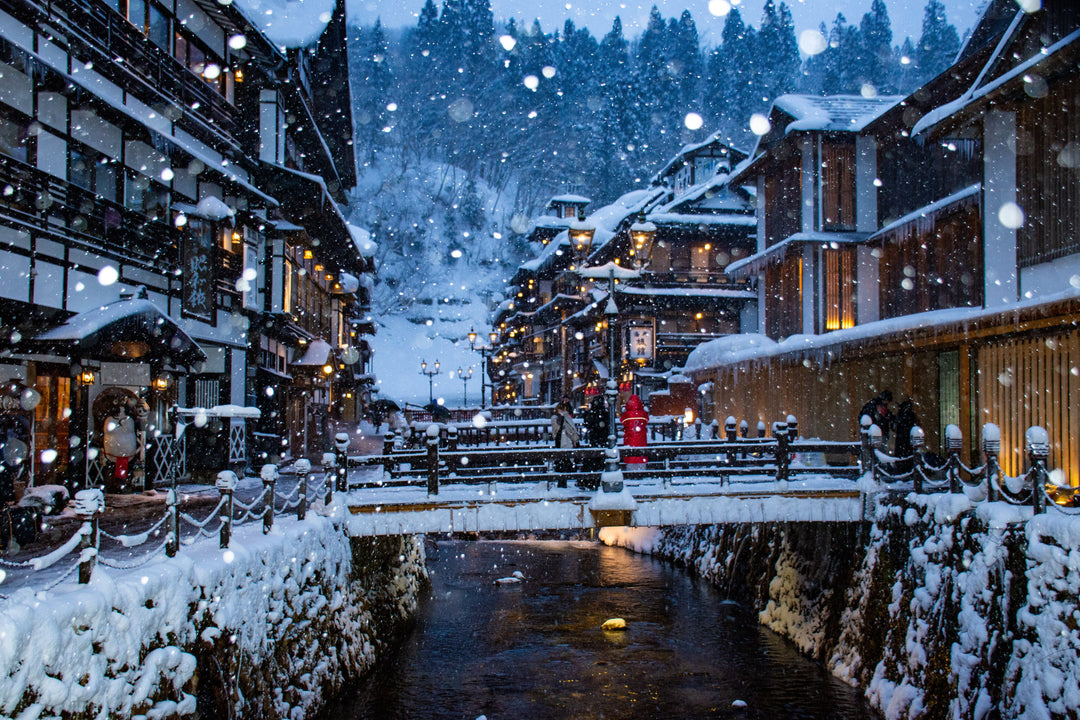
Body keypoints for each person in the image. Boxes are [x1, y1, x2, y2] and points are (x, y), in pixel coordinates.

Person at [551, 401, 579, 478]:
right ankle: (562, 476)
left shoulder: (567, 417)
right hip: (561, 439)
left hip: (567, 439)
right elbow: (556, 429)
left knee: (566, 458)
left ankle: (564, 474)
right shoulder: (556, 418)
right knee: (561, 458)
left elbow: (572, 428)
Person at [893, 399, 919, 473]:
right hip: (907, 439)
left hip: (902, 439)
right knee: (907, 455)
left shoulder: (901, 414)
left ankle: (901, 469)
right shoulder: (909, 414)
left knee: (902, 455)